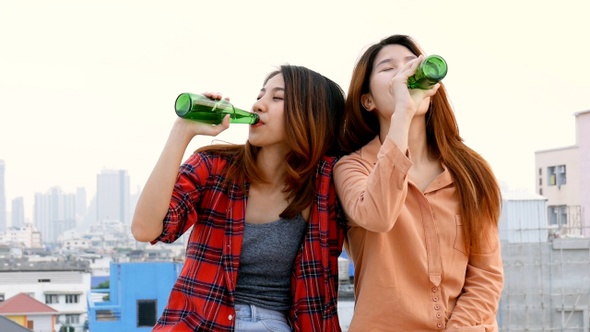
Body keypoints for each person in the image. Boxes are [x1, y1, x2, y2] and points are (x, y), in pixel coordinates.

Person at [131, 65, 347, 332]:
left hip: (277, 323)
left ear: (312, 117)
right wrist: (182, 131)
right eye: (260, 95)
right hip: (202, 323)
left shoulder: (329, 181)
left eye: (276, 98)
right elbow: (145, 229)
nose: (258, 105)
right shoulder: (213, 166)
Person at [333, 34, 504, 331]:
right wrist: (402, 113)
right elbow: (378, 215)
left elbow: (487, 275)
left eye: (411, 65)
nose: (405, 75)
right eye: (388, 69)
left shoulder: (470, 171)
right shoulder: (352, 167)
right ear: (368, 100)